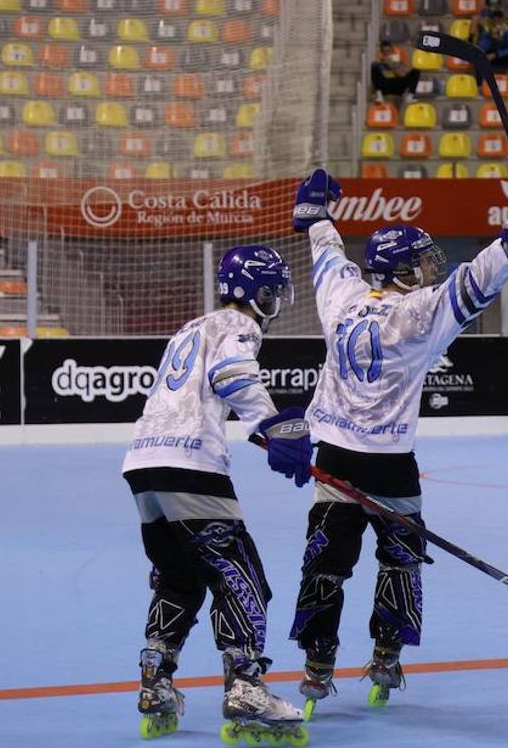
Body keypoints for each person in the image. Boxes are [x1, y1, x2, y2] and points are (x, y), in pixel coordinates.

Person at [287, 170, 508, 712]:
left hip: (335, 460)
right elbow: (476, 281)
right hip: (391, 465)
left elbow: (326, 252)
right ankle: (387, 655)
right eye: (423, 261)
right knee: (401, 561)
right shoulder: (418, 313)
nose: (431, 267)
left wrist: (316, 216)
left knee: (325, 563)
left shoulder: (339, 298)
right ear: (403, 271)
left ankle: (317, 662)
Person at [123, 246, 312, 738]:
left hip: (144, 464)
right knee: (241, 576)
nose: (277, 305)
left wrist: (264, 433)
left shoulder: (191, 327)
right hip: (191, 464)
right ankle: (246, 685)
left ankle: (155, 682)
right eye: (275, 293)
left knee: (179, 577)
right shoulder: (238, 326)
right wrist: (271, 426)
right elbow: (231, 376)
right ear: (260, 293)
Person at [477, 9, 508, 85]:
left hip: (502, 56)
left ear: (502, 20)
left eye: (499, 21)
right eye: (495, 20)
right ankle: (479, 84)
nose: (497, 23)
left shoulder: (507, 31)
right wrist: (490, 38)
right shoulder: (487, 31)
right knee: (478, 59)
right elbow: (482, 47)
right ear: (492, 21)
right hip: (489, 57)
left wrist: (496, 54)